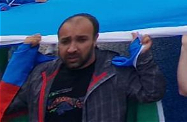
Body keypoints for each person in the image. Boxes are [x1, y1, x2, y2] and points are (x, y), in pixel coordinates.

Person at [1, 13, 166, 121]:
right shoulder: (41, 74)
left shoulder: (114, 70)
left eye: (81, 40)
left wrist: (143, 57)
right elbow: (5, 105)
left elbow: (151, 93)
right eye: (65, 41)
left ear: (95, 40)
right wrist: (18, 63)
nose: (72, 48)